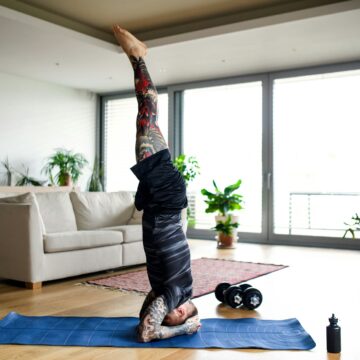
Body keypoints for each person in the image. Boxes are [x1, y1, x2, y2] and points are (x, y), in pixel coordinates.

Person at [112, 25, 201, 343]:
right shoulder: (178, 292)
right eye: (181, 313)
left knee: (148, 121)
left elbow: (144, 321)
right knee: (146, 118)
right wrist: (184, 328)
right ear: (188, 308)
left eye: (171, 315)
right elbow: (147, 334)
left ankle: (138, 57)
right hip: (166, 202)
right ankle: (137, 56)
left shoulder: (167, 293)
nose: (170, 313)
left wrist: (178, 323)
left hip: (162, 204)